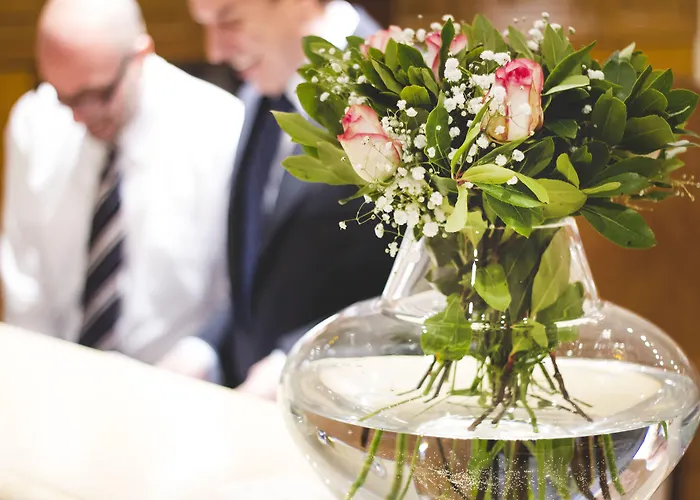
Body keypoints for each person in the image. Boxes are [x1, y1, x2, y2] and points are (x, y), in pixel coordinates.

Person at [1, 0, 244, 380]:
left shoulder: (221, 128)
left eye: (97, 94)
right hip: (58, 374)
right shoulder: (36, 123)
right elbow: (25, 288)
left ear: (140, 56)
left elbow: (235, 295)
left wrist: (191, 364)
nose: (79, 116)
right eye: (64, 96)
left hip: (176, 382)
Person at [187, 0, 394, 397]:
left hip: (343, 409)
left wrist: (295, 360)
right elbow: (264, 267)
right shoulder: (265, 86)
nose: (214, 51)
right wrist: (205, 348)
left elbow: (415, 284)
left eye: (229, 19)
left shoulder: (394, 88)